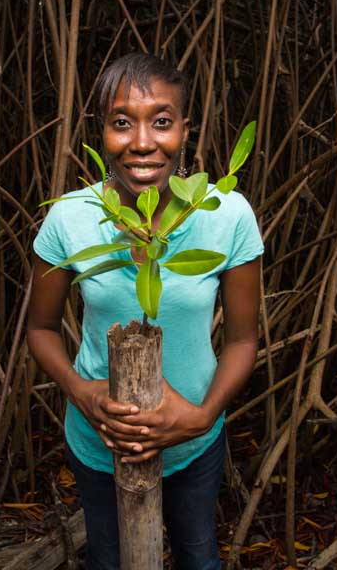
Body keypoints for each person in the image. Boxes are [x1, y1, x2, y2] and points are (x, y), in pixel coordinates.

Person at [27, 53, 263, 570]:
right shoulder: (70, 219)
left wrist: (201, 419)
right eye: (120, 123)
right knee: (109, 562)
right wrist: (81, 391)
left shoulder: (227, 215)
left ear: (184, 129)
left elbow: (244, 339)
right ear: (102, 133)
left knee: (199, 558)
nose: (141, 142)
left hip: (194, 442)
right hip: (98, 440)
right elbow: (41, 329)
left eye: (161, 121)